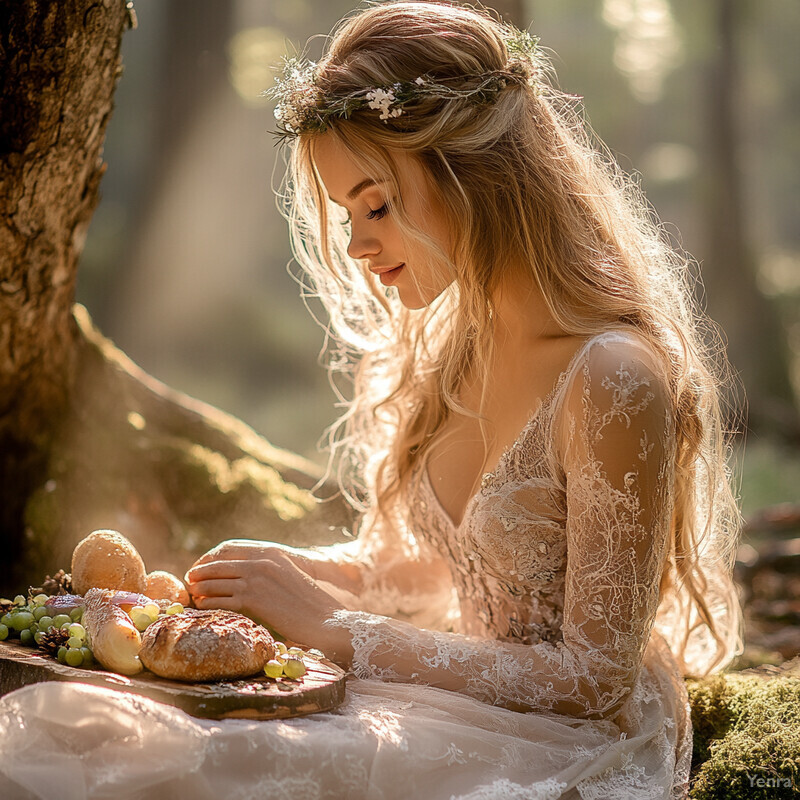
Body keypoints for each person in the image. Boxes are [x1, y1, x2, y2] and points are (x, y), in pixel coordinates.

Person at [0, 2, 743, 798]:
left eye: (376, 204)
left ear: (477, 169)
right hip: (452, 694)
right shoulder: (452, 345)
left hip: (563, 739)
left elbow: (593, 679)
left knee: (197, 764)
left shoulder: (612, 377)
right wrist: (292, 573)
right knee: (110, 723)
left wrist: (339, 631)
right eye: (345, 214)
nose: (355, 245)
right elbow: (423, 564)